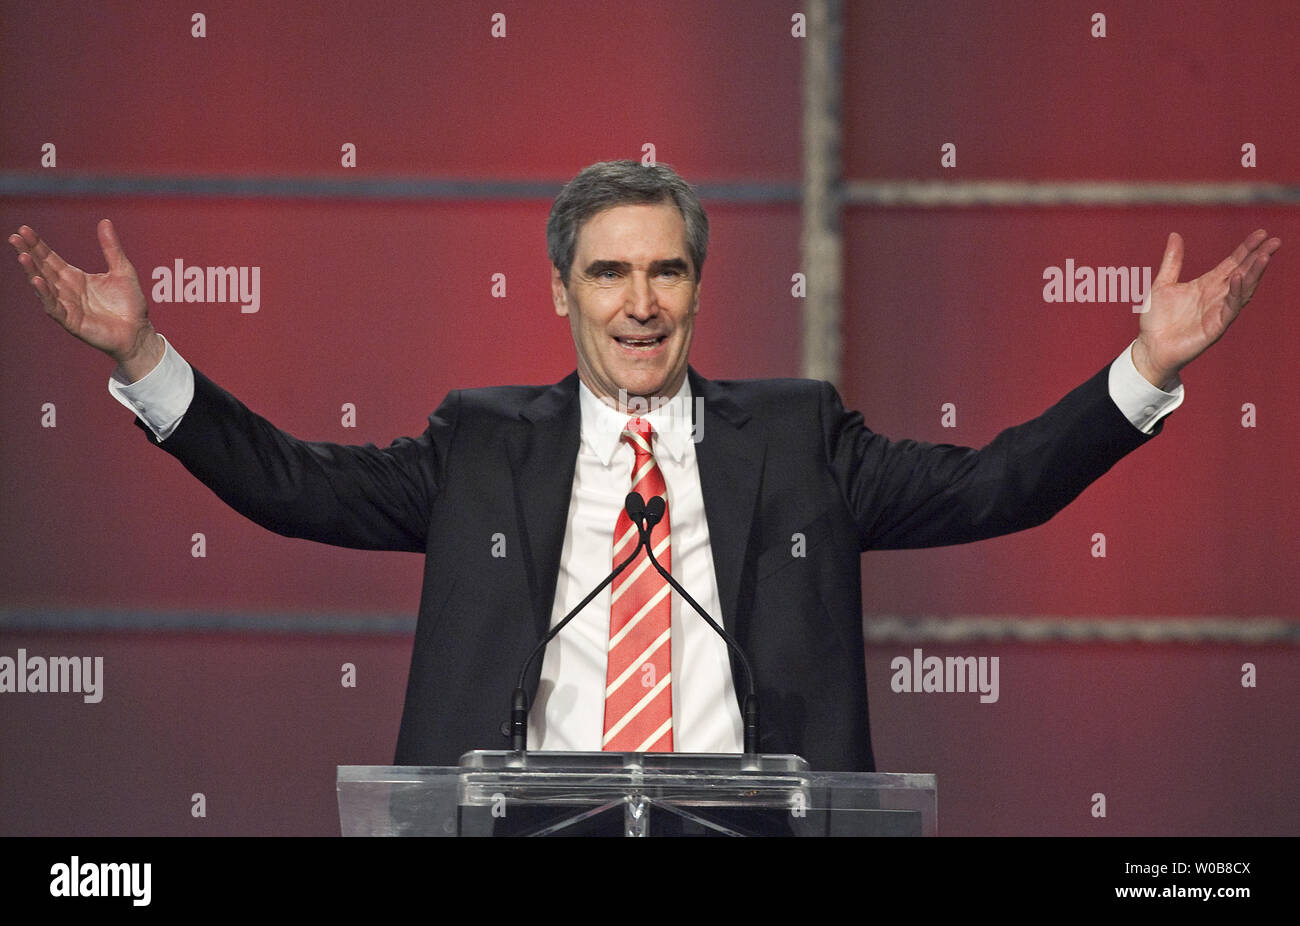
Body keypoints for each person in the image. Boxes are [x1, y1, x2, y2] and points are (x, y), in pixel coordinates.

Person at [9, 161, 1281, 771]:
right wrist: (148, 354)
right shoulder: (481, 437)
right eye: (608, 271)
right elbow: (290, 484)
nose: (639, 301)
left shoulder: (795, 436)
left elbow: (994, 484)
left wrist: (1143, 369)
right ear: (562, 288)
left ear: (697, 285)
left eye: (664, 269)